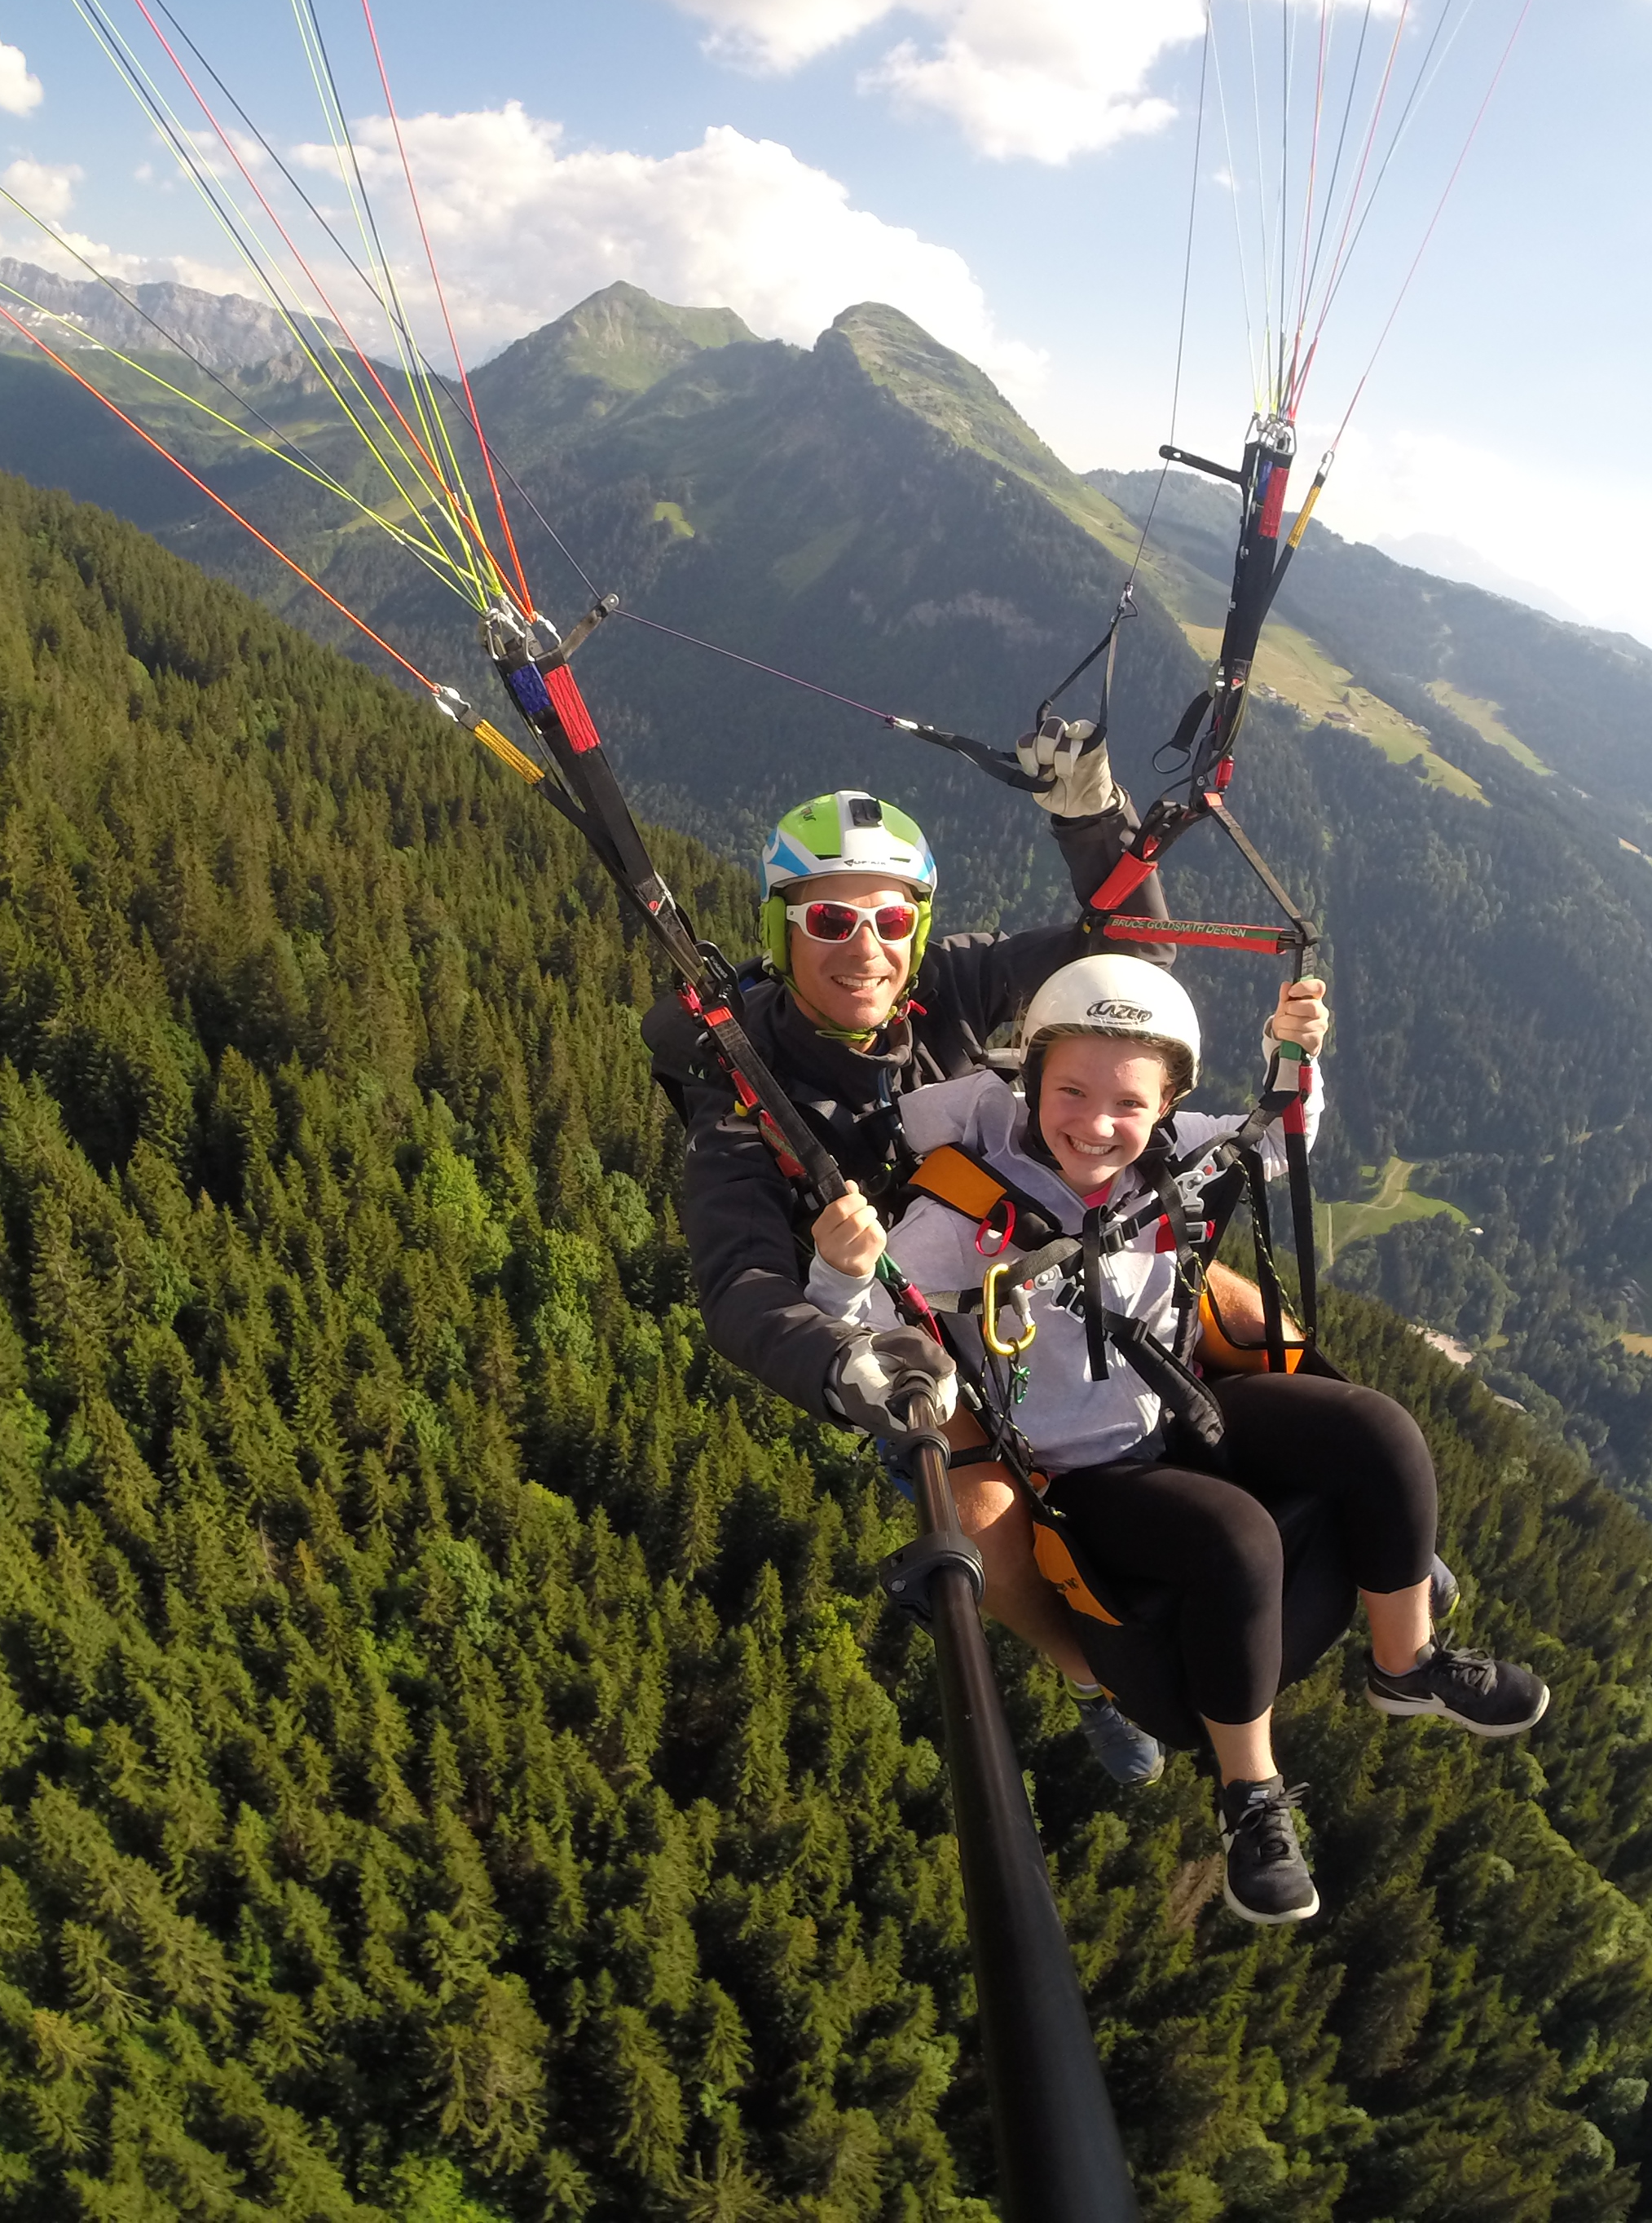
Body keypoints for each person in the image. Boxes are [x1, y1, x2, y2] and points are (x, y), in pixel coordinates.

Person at [800, 955, 1551, 1925]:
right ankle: (1250, 1797)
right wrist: (839, 1270)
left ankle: (1404, 1664)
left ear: (1165, 1107)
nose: (1096, 1124)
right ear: (1032, 1082)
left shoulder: (1171, 1158)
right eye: (1071, 1093)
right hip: (1081, 1469)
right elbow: (861, 1324)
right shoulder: (964, 1217)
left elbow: (1274, 1143)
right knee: (1237, 1538)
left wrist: (1290, 1057)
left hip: (1174, 1403)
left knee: (1374, 1428)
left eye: (1128, 1102)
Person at [643, 717, 1178, 1784]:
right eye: (829, 919)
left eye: (890, 920)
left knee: (1227, 1308)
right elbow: (741, 1289)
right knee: (984, 1523)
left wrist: (1090, 823)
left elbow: (1129, 972)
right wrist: (844, 1361)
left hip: (1018, 1248)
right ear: (783, 928)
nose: (865, 949)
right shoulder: (746, 1102)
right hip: (908, 1328)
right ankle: (1086, 1677)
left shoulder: (949, 988)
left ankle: (1347, 1490)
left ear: (918, 927)